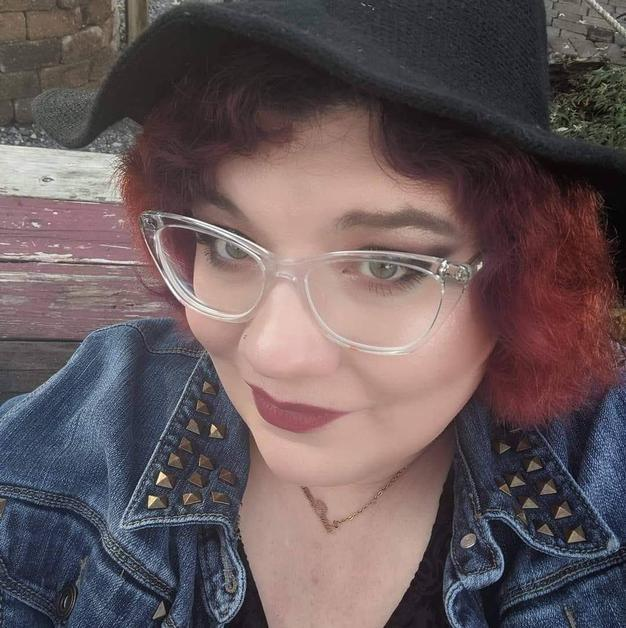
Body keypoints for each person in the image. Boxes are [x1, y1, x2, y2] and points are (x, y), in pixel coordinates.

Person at [2, 1, 626, 626]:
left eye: (386, 266)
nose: (271, 352)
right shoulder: (92, 417)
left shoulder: (603, 474)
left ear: (524, 278)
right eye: (227, 246)